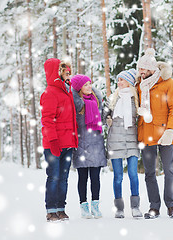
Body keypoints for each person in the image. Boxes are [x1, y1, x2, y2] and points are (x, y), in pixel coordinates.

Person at [136, 48, 173, 219]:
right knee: (149, 173)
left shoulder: (168, 83)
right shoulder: (139, 85)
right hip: (146, 133)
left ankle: (171, 205)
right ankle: (154, 207)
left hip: (164, 134)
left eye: (144, 69)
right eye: (140, 69)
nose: (141, 72)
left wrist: (170, 130)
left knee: (168, 170)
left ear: (152, 69)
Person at [40, 58, 78, 222]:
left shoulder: (67, 91)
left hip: (67, 143)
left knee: (63, 178)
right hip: (53, 144)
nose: (68, 75)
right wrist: (53, 140)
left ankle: (61, 208)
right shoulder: (49, 93)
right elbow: (47, 119)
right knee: (53, 177)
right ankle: (51, 210)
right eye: (65, 72)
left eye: (69, 72)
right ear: (57, 73)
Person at [104, 69, 143, 218]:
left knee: (133, 174)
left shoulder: (136, 99)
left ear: (130, 82)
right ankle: (119, 208)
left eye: (122, 80)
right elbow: (104, 115)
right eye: (118, 80)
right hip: (115, 141)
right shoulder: (113, 99)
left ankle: (135, 206)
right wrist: (107, 118)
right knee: (118, 177)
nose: (119, 83)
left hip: (132, 141)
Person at [70, 74, 107, 219]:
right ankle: (84, 206)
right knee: (83, 177)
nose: (89, 86)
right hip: (82, 144)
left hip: (96, 143)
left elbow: (103, 119)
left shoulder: (96, 100)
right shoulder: (76, 103)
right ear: (79, 88)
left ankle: (95, 206)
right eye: (86, 85)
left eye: (90, 83)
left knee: (96, 177)